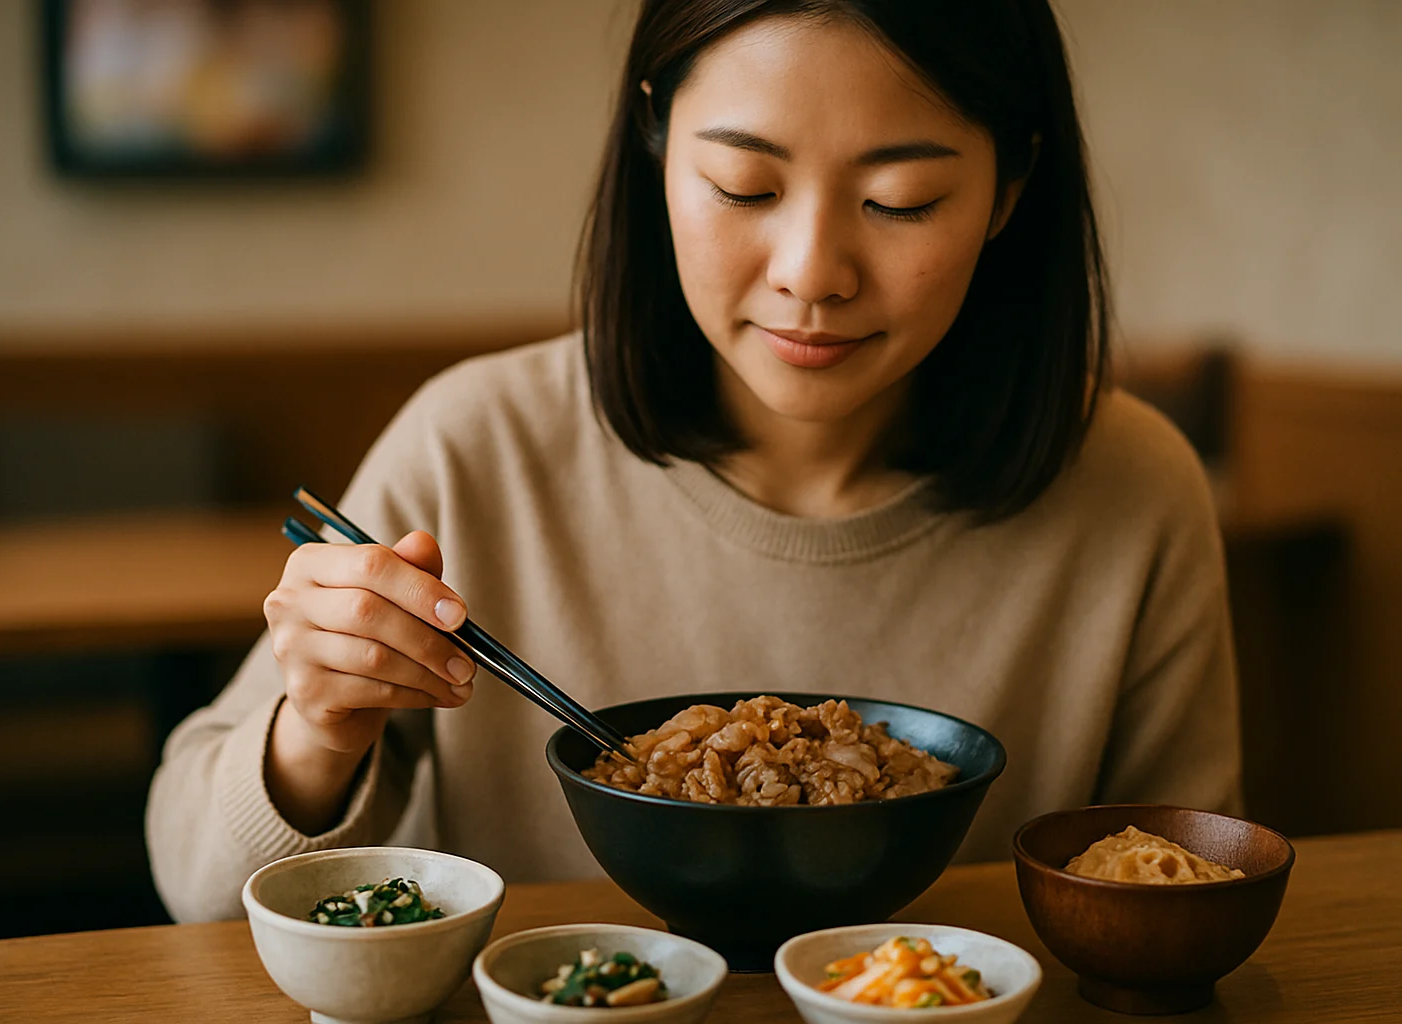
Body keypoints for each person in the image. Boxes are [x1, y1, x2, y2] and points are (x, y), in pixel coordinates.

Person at [147, 0, 1241, 922]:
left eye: (900, 201)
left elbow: (1174, 901)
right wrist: (317, 728)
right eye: (745, 187)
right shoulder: (477, 446)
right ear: (660, 144)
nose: (812, 272)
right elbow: (199, 886)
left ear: (1010, 189)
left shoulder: (1133, 489)